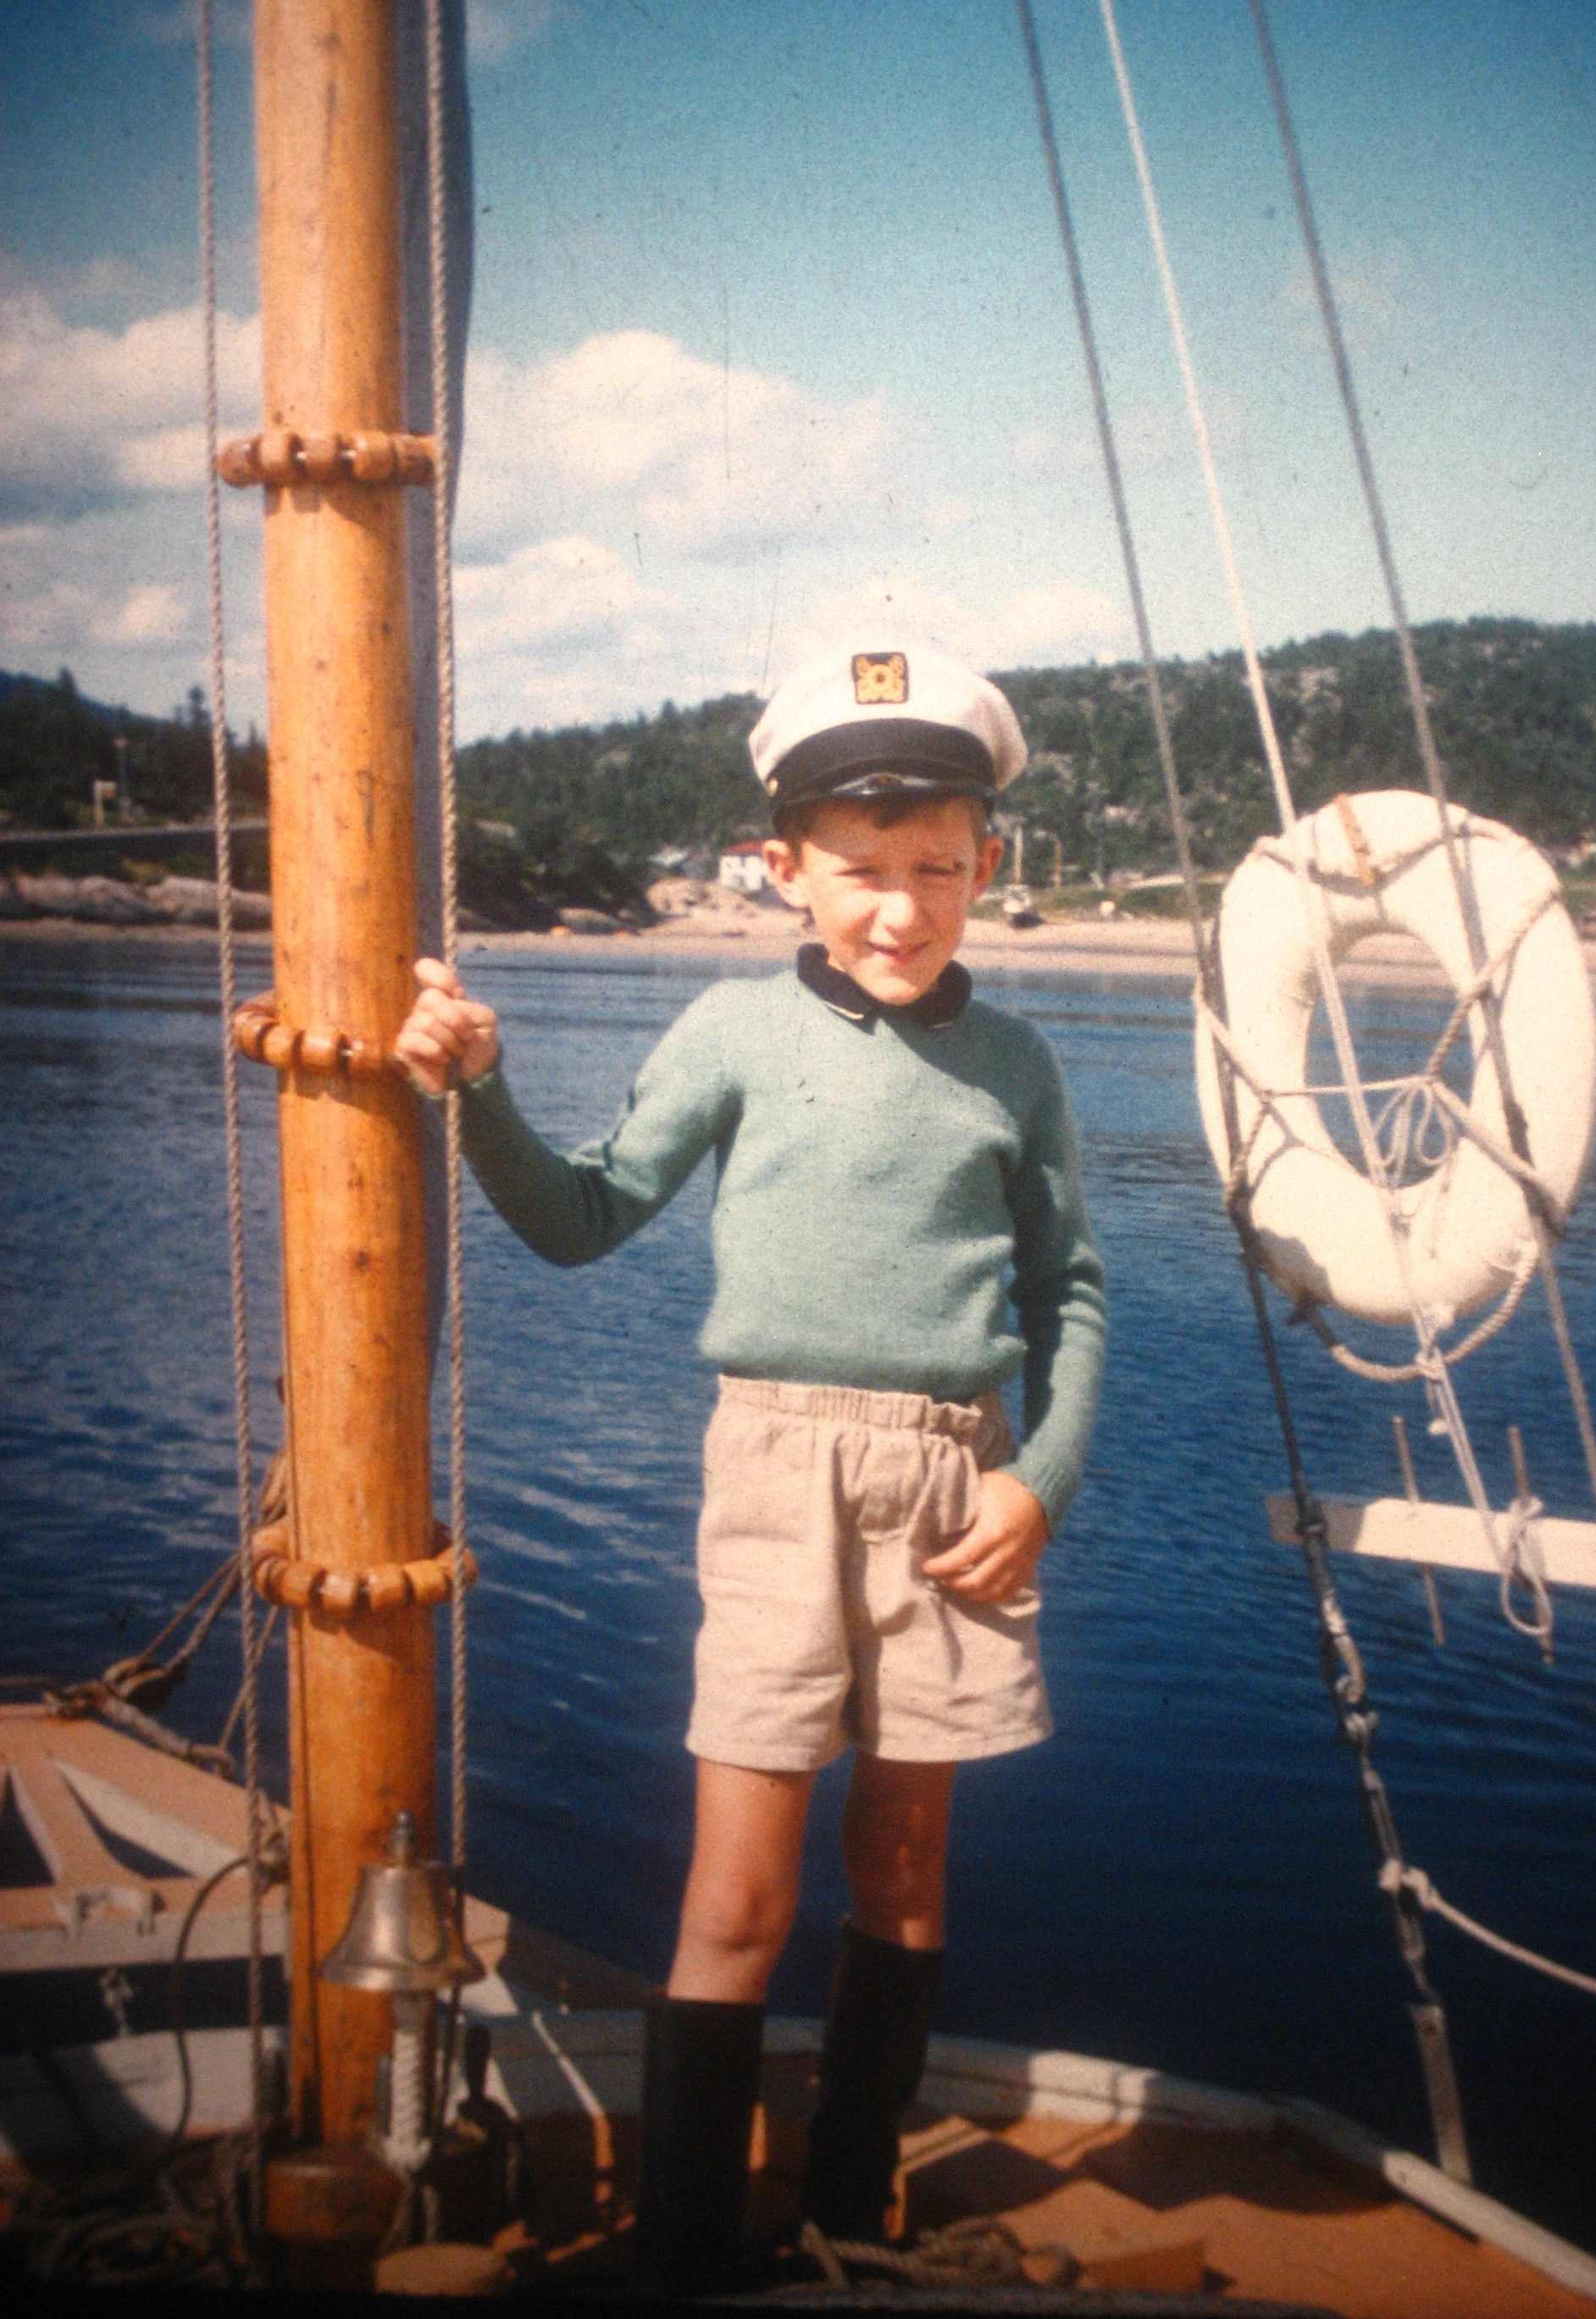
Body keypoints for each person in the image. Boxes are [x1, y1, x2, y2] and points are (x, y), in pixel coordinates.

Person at [396, 642, 1106, 2294]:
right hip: (776, 1480)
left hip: (958, 1487)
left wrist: (1040, 1481)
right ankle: (685, 2249)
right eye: (862, 873)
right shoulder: (726, 1028)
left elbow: (1070, 1290)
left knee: (907, 1866)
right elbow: (580, 1220)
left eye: (939, 869)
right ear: (782, 867)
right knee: (740, 1885)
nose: (901, 908)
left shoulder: (1020, 1066)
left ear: (987, 867)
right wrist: (480, 1093)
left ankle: (856, 2213)